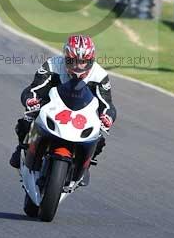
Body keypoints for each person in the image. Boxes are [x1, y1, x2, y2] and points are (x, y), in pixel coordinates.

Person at [9, 34, 116, 169]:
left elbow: (107, 104)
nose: (78, 67)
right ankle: (22, 148)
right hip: (52, 106)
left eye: (83, 62)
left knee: (99, 138)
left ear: (91, 60)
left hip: (83, 112)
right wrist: (31, 99)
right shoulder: (52, 65)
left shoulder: (99, 75)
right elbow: (34, 88)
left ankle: (84, 164)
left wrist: (107, 117)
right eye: (73, 61)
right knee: (26, 120)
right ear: (65, 58)